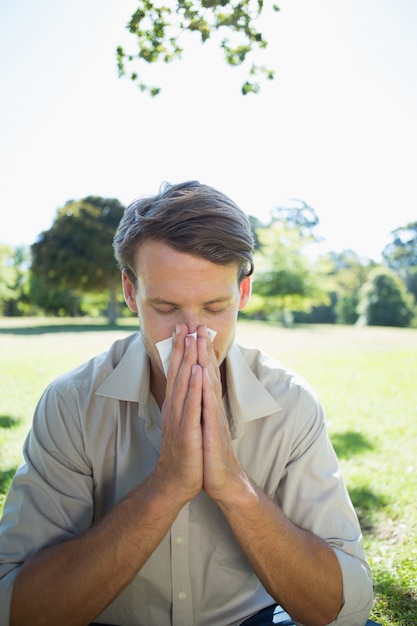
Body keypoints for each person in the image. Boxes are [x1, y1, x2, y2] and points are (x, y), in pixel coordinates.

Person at [0, 181, 373, 626]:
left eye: (215, 307)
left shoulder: (289, 403)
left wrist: (234, 486)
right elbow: (19, 609)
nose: (191, 336)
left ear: (244, 293)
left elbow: (342, 608)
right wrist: (168, 485)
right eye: (166, 307)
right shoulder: (72, 404)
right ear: (130, 291)